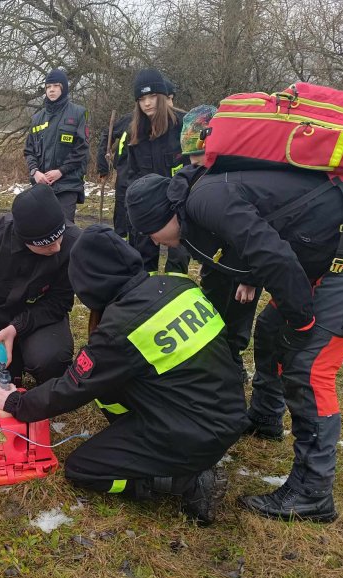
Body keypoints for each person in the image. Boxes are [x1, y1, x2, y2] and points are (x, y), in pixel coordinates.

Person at [126, 166, 343, 522]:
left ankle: (312, 492)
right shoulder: (197, 199)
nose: (153, 241)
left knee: (310, 367)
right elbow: (258, 231)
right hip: (322, 248)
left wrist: (302, 320)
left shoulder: (206, 199)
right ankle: (265, 416)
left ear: (164, 215)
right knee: (269, 329)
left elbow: (272, 255)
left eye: (150, 231)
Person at [0, 225, 248, 524]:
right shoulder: (179, 284)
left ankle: (185, 482)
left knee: (84, 468)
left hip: (194, 432)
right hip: (226, 410)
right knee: (108, 387)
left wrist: (16, 404)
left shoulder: (122, 328)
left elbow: (73, 385)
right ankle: (141, 438)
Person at [0, 184, 80, 391]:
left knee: (51, 360)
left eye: (60, 238)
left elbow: (59, 302)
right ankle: (16, 361)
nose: (57, 248)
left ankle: (33, 357)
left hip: (42, 317)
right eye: (47, 245)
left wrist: (16, 328)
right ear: (24, 240)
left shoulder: (73, 243)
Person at [178, 105, 261, 381]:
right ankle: (213, 359)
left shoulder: (241, 175)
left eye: (199, 154)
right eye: (190, 156)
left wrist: (250, 276)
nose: (194, 161)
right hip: (215, 260)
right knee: (213, 304)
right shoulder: (198, 174)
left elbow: (256, 232)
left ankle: (234, 362)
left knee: (239, 314)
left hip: (245, 263)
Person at [124, 68, 190, 273]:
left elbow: (196, 169)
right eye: (142, 98)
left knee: (178, 261)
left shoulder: (184, 126)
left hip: (180, 206)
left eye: (152, 96)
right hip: (147, 207)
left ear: (162, 96)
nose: (148, 103)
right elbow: (131, 176)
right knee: (143, 262)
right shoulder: (135, 133)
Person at [24, 69, 89, 222]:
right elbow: (29, 150)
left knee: (65, 229)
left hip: (68, 184)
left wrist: (61, 171)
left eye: (56, 86)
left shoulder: (78, 113)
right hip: (42, 185)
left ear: (63, 88)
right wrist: (35, 172)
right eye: (48, 87)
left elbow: (82, 150)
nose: (51, 90)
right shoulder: (37, 118)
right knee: (41, 229)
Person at [96, 114, 132, 238]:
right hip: (125, 175)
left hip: (152, 178)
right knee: (122, 214)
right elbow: (107, 134)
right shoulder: (128, 119)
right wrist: (103, 167)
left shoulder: (175, 119)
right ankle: (119, 245)